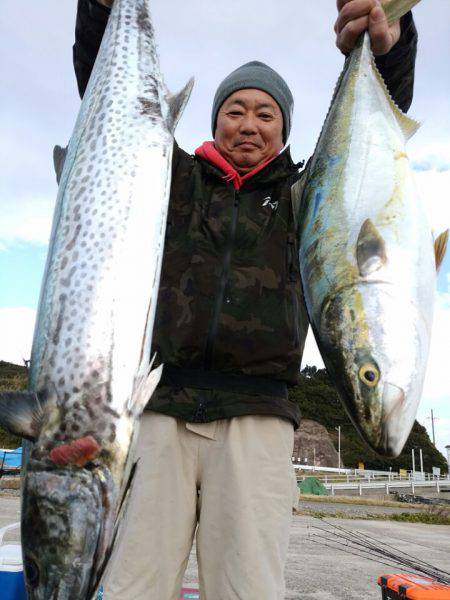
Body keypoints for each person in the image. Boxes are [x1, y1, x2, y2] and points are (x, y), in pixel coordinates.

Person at [73, 1, 417, 598]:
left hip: (258, 422)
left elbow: (377, 128)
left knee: (248, 589)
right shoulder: (168, 178)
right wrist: (100, 12)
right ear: (215, 121)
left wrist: (390, 41)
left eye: (265, 113)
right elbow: (109, 106)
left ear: (283, 130)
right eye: (235, 111)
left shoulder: (306, 197)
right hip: (161, 411)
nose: (249, 125)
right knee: (131, 586)